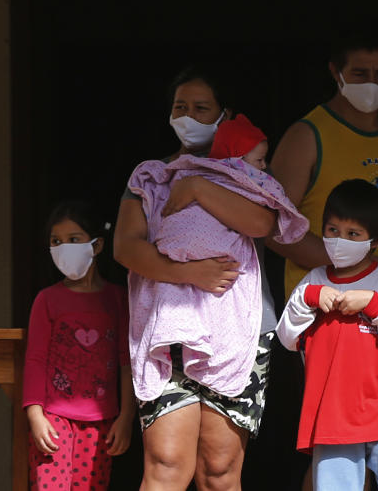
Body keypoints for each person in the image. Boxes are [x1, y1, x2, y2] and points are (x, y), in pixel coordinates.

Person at [113, 67, 283, 491]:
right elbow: (126, 248)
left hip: (239, 334)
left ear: (225, 114)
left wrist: (198, 186)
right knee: (167, 465)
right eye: (180, 107)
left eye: (201, 108)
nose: (188, 115)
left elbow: (263, 223)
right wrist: (186, 273)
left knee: (220, 471)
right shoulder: (150, 176)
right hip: (167, 331)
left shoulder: (247, 172)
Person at [276, 179, 378, 491]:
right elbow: (287, 337)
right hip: (332, 415)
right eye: (332, 230)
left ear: (374, 242)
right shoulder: (311, 282)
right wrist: (309, 299)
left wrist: (373, 303)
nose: (339, 240)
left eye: (353, 234)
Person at [268, 30, 378, 296]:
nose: (372, 83)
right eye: (360, 74)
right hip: (322, 308)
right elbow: (272, 227)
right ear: (335, 71)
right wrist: (364, 266)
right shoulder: (307, 135)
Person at [23, 200, 134, 491]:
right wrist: (35, 414)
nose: (64, 247)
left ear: (96, 246)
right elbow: (35, 359)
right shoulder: (47, 300)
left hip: (102, 422)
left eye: (74, 240)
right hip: (54, 419)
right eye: (56, 241)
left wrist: (126, 416)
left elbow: (127, 360)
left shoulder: (118, 299)